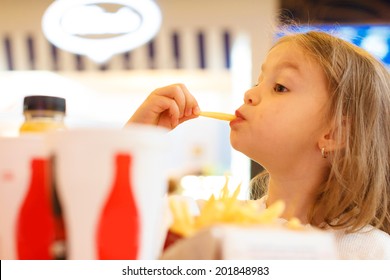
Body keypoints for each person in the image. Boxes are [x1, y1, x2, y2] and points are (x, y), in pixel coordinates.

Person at [127, 30, 390, 259]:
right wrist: (135, 139)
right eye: (258, 82)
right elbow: (117, 227)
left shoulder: (371, 254)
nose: (250, 93)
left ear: (335, 134)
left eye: (280, 87)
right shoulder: (204, 224)